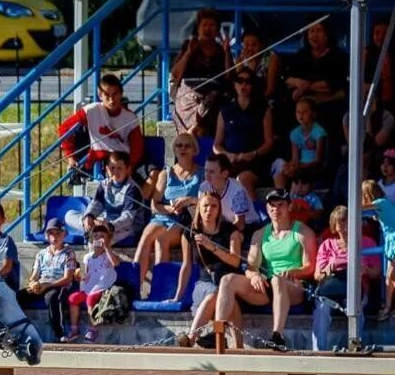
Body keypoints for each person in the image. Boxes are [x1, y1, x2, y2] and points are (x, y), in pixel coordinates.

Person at [214, 189, 318, 350]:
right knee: (227, 280)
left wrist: (293, 271)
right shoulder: (260, 234)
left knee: (277, 280)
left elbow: (310, 268)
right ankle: (217, 333)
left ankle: (277, 335)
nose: (276, 209)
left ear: (289, 207)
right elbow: (250, 266)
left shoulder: (302, 232)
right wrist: (254, 276)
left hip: (295, 285)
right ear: (267, 209)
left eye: (280, 205)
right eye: (272, 206)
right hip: (268, 285)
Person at [136, 132, 203, 297]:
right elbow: (154, 204)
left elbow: (207, 200)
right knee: (146, 238)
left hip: (185, 219)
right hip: (164, 215)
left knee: (161, 240)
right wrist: (170, 209)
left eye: (187, 145)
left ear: (195, 150)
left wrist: (190, 200)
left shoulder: (202, 173)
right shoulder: (166, 173)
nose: (183, 149)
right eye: (179, 145)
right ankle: (134, 286)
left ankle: (159, 289)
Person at [176, 189, 244, 347]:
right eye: (205, 205)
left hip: (229, 281)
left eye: (214, 206)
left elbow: (235, 262)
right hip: (204, 283)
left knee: (226, 294)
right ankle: (197, 338)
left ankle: (197, 338)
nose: (209, 210)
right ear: (199, 207)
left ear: (219, 209)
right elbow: (186, 265)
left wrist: (211, 246)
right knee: (216, 293)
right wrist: (177, 296)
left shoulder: (230, 231)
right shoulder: (189, 232)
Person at [312, 205, 381, 350]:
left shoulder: (367, 243)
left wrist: (366, 270)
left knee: (356, 306)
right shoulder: (327, 245)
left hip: (357, 289)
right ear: (334, 226)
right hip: (331, 290)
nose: (345, 227)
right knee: (322, 308)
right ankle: (319, 351)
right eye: (340, 222)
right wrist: (328, 269)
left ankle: (355, 346)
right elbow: (317, 276)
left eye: (348, 221)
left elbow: (377, 273)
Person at [58, 73, 144, 172]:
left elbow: (137, 147)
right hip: (99, 160)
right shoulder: (91, 111)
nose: (111, 100)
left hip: (122, 160)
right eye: (107, 95)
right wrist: (70, 157)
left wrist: (130, 166)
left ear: (121, 94)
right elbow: (64, 128)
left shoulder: (130, 118)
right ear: (100, 96)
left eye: (115, 94)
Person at [172, 7, 232, 136]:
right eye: (204, 25)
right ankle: (190, 133)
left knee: (215, 101)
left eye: (212, 25)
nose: (207, 29)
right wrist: (188, 53)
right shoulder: (189, 45)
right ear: (198, 28)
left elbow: (229, 77)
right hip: (189, 98)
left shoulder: (221, 51)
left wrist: (227, 52)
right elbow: (175, 74)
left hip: (212, 100)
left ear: (217, 30)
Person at [214, 68, 275, 195]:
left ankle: (252, 214)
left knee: (243, 179)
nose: (244, 85)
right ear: (234, 84)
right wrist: (227, 155)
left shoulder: (263, 110)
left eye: (248, 82)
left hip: (254, 163)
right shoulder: (225, 111)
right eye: (240, 81)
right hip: (230, 161)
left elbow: (269, 143)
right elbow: (216, 144)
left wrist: (253, 153)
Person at [62, 223, 120, 343]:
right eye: (95, 236)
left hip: (103, 288)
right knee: (73, 298)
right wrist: (80, 277)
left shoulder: (108, 255)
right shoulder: (87, 257)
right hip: (89, 288)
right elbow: (86, 275)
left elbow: (116, 263)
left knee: (91, 299)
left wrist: (107, 247)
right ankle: (74, 329)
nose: (98, 239)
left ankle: (93, 329)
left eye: (102, 236)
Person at [22, 218, 78, 341]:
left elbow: (67, 279)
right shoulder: (41, 253)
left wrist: (48, 285)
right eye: (51, 233)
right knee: (19, 296)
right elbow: (35, 274)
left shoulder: (69, 253)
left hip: (59, 285)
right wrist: (33, 283)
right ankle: (19, 330)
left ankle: (60, 334)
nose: (54, 237)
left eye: (58, 233)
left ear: (64, 234)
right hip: (43, 285)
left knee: (52, 298)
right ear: (47, 236)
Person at [82, 150, 144, 246]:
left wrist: (109, 225)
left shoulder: (132, 189)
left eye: (119, 168)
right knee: (70, 215)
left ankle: (94, 241)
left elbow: (127, 218)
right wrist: (89, 217)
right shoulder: (104, 184)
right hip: (105, 221)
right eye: (112, 168)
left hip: (125, 227)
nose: (115, 171)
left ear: (128, 169)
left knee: (102, 238)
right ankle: (93, 231)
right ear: (107, 169)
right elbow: (96, 204)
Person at [272, 97, 327, 190]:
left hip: (312, 167)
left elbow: (318, 160)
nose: (301, 115)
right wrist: (290, 166)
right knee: (279, 163)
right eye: (298, 112)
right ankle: (280, 192)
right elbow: (295, 158)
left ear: (313, 113)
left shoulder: (319, 132)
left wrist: (300, 166)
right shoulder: (294, 133)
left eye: (305, 112)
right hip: (300, 166)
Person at [362, 179, 395, 320]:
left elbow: (360, 208)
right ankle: (388, 306)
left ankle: (388, 307)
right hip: (391, 240)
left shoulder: (380, 202)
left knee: (390, 275)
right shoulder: (381, 205)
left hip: (394, 239)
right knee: (389, 277)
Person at [198, 154, 256, 233]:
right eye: (206, 170)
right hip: (223, 225)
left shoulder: (237, 191)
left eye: (212, 172)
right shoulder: (204, 187)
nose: (207, 175)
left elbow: (240, 224)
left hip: (247, 227)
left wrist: (218, 235)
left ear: (225, 173)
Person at [232, 28, 281, 100]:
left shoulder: (272, 58)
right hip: (245, 98)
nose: (250, 48)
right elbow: (239, 85)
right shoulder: (240, 59)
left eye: (254, 45)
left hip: (264, 97)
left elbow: (270, 90)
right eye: (246, 44)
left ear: (262, 45)